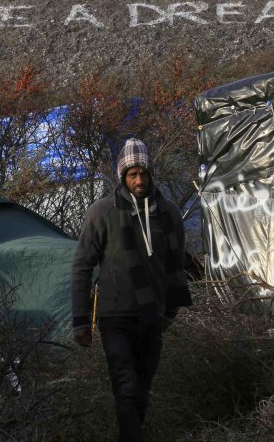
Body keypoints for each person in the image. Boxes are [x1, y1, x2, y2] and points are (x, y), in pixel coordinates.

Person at [71, 137, 193, 442]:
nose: (138, 180)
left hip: (152, 316)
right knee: (125, 388)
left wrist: (170, 312)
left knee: (141, 391)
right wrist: (81, 320)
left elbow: (175, 266)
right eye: (132, 174)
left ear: (151, 174)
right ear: (122, 177)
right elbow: (82, 266)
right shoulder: (102, 213)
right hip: (115, 316)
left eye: (143, 173)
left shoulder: (168, 213)